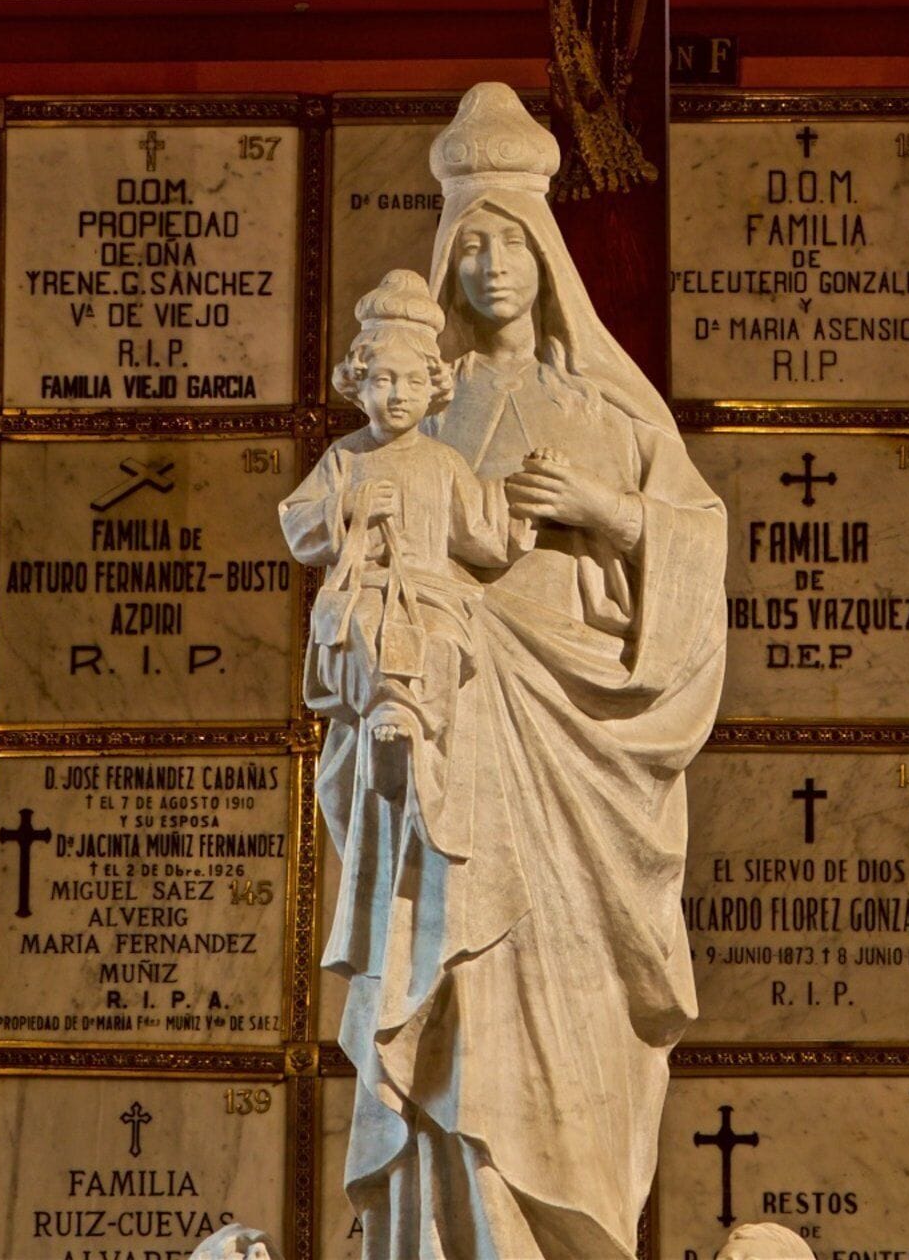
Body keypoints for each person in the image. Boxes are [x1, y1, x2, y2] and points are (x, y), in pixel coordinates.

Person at [298, 84, 728, 1260]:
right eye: (469, 240)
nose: (490, 265)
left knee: (573, 1003)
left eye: (511, 241)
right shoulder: (414, 420)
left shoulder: (608, 411)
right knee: (456, 989)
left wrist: (613, 514)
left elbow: (695, 541)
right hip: (450, 752)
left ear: (548, 259)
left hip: (582, 761)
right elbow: (348, 555)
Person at [291, 269, 526, 807]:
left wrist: (523, 505)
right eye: (382, 381)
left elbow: (480, 536)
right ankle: (388, 717)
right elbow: (298, 524)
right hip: (367, 586)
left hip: (430, 592)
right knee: (366, 627)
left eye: (414, 382)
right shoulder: (346, 458)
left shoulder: (443, 462)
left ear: (434, 389)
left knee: (441, 638)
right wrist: (347, 506)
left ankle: (420, 736)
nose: (398, 396)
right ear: (358, 386)